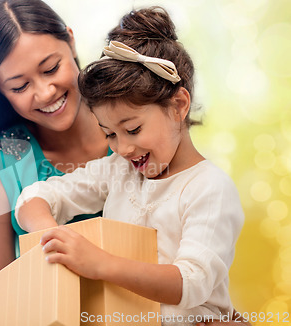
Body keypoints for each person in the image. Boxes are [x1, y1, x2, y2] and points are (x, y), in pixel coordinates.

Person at [15, 7, 245, 326]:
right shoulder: (118, 171)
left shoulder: (209, 188)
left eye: (133, 129)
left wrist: (100, 263)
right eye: (109, 134)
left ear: (178, 105)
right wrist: (51, 236)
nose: (123, 148)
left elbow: (191, 283)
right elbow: (36, 196)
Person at [0, 1, 109, 325]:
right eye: (20, 86)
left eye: (51, 68)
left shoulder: (133, 122)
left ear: (70, 41)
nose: (44, 92)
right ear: (0, 90)